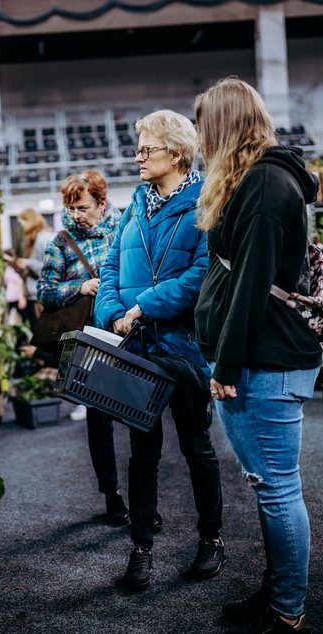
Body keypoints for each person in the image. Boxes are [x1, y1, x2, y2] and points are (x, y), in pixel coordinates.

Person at [193, 78, 322, 633]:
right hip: (257, 358)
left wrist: (225, 365)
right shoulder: (252, 181)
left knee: (277, 488)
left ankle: (288, 611)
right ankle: (277, 595)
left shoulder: (268, 184)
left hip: (264, 362)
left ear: (223, 126)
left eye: (204, 127)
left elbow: (251, 283)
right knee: (267, 484)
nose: (200, 139)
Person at [94, 109, 224, 591]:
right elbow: (111, 264)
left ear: (177, 153)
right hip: (136, 348)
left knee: (196, 446)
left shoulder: (205, 202)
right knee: (142, 453)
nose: (139, 156)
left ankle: (211, 540)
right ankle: (141, 548)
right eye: (139, 149)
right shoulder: (135, 204)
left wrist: (144, 307)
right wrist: (111, 313)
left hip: (182, 347)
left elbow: (202, 274)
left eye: (147, 149)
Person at [37, 171, 127, 524]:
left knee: (142, 419)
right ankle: (112, 495)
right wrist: (80, 286)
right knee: (99, 419)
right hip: (88, 342)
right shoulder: (59, 243)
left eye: (84, 208)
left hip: (126, 332)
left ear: (102, 203)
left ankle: (145, 499)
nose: (76, 215)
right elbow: (44, 292)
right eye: (71, 208)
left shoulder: (123, 231)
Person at [13, 208, 55, 332]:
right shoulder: (36, 239)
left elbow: (50, 269)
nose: (21, 228)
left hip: (41, 298)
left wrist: (28, 263)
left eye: (22, 223)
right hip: (35, 296)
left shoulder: (44, 239)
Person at [2, 248, 30, 324]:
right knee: (12, 319)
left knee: (24, 319)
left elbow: (19, 282)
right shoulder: (8, 268)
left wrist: (21, 297)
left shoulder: (14, 267)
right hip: (10, 297)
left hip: (16, 297)